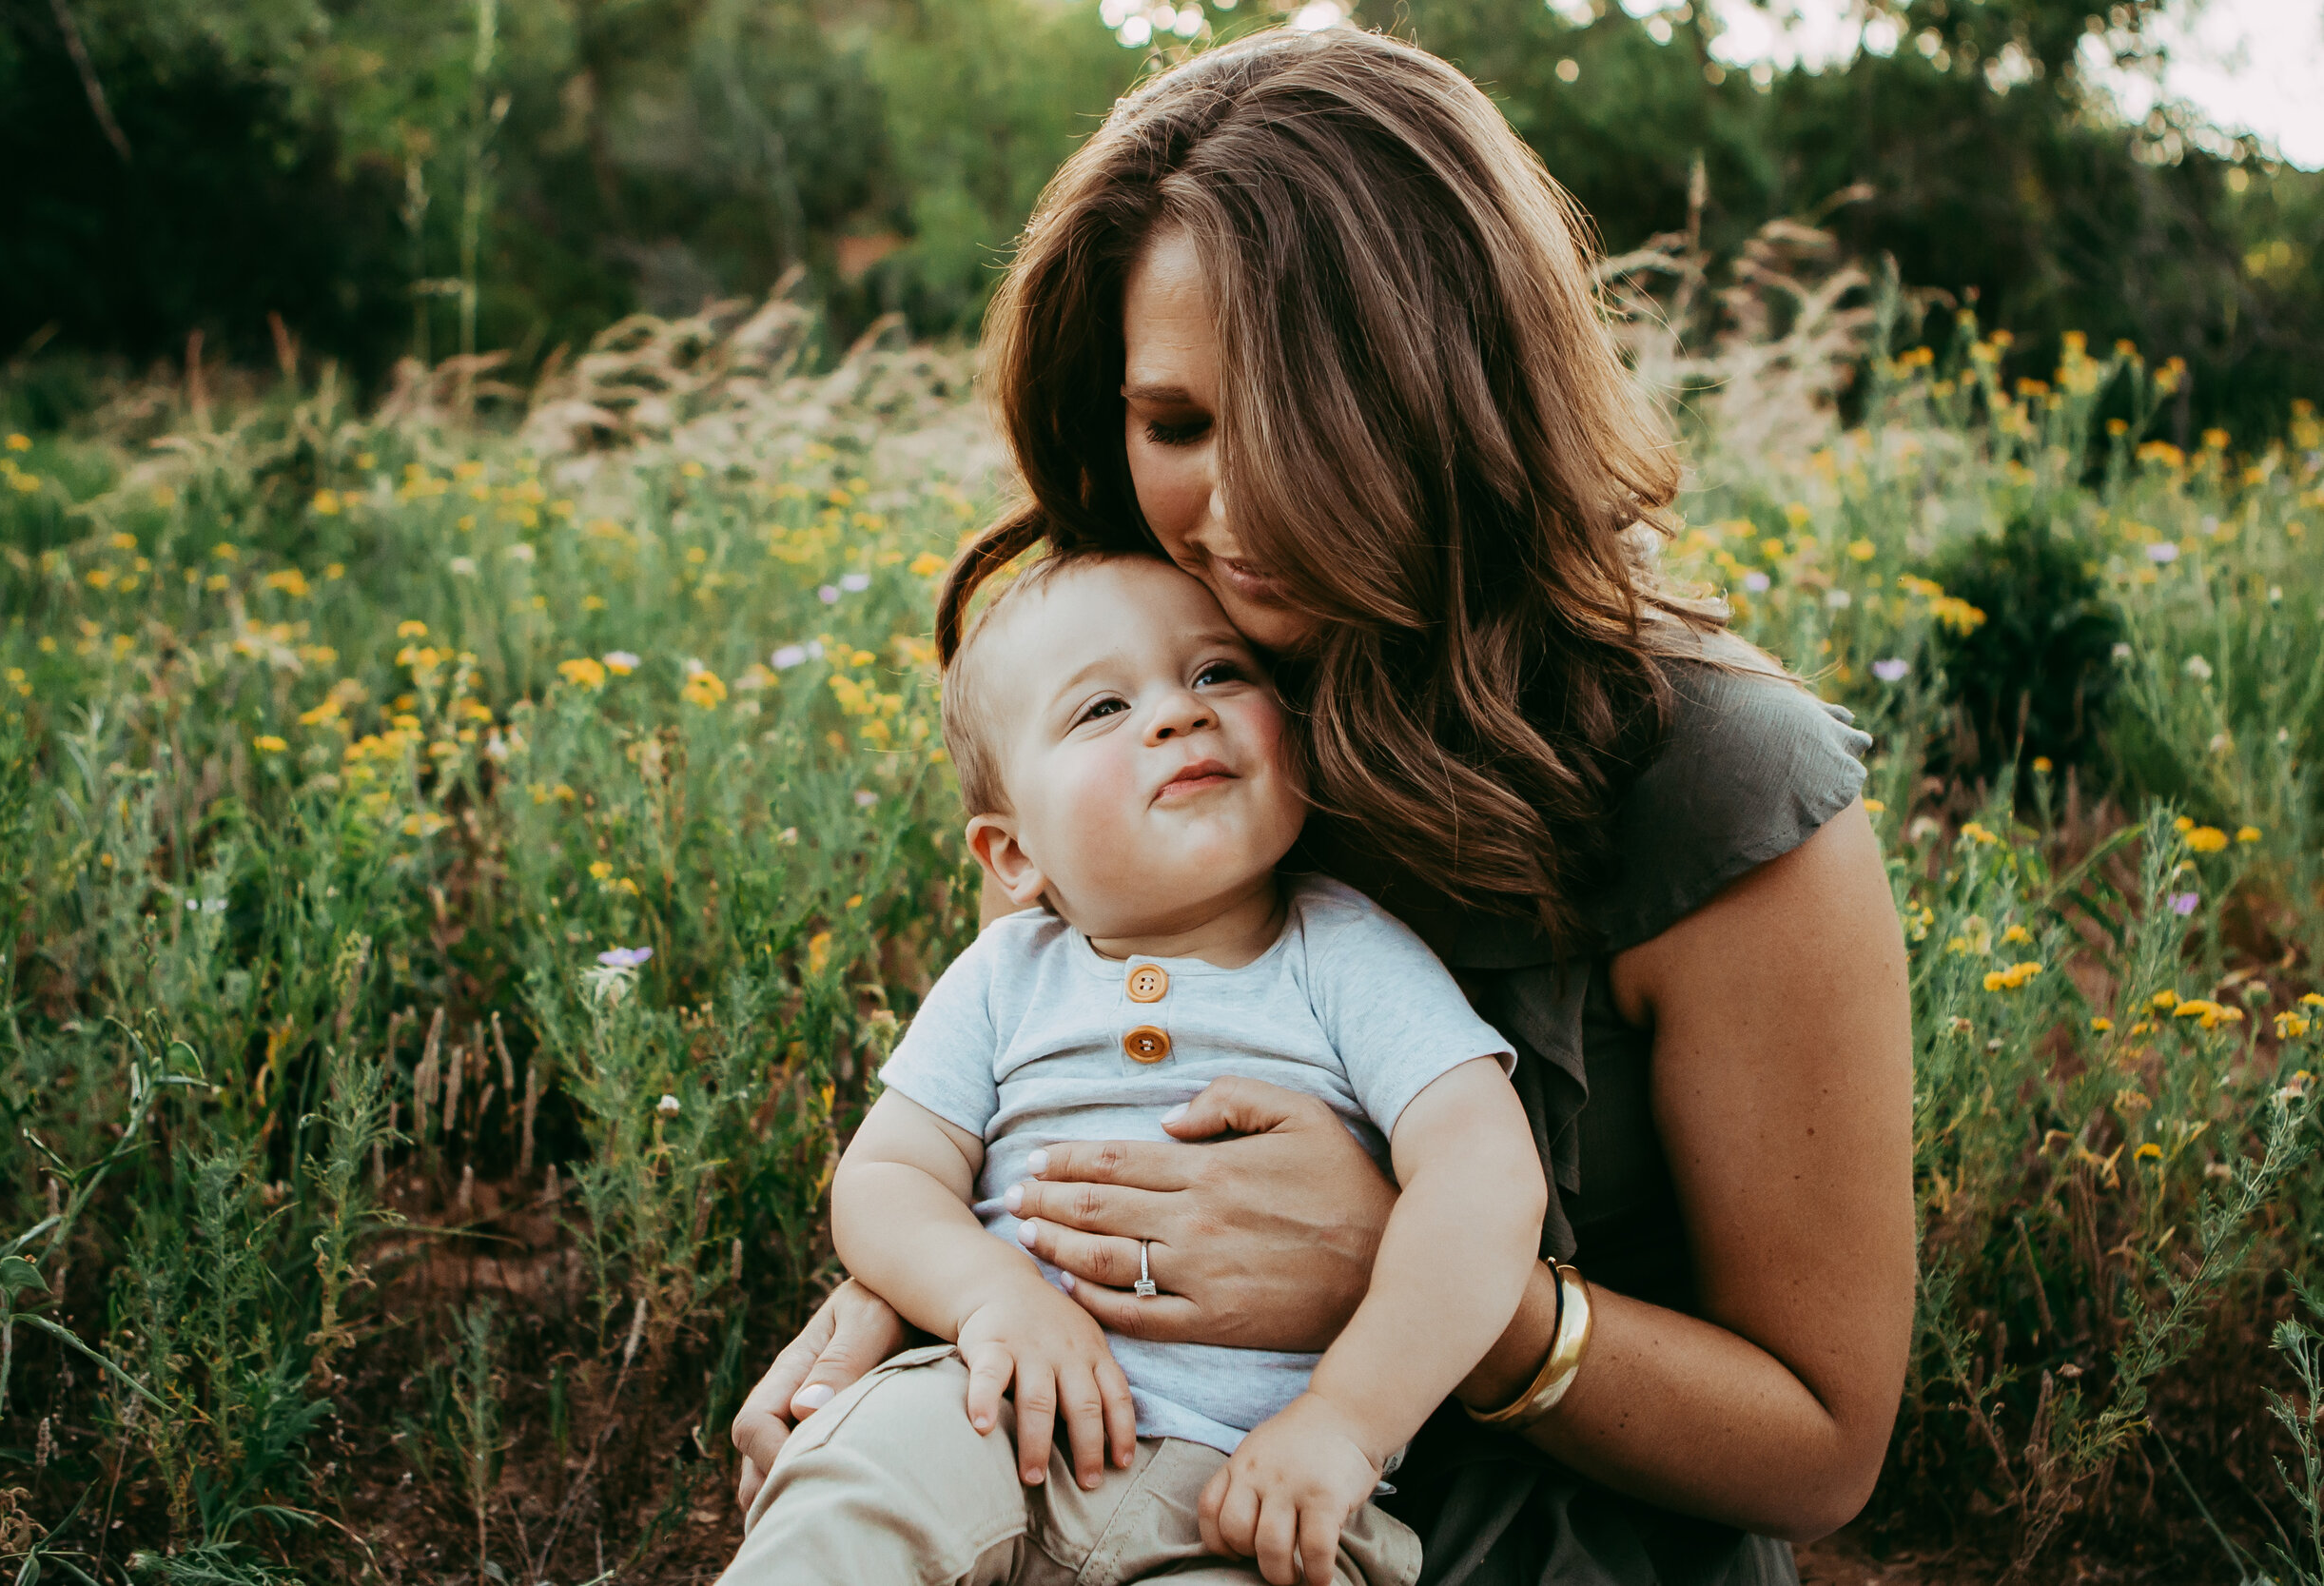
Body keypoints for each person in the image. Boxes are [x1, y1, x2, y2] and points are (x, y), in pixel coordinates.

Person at [731, 26, 1916, 1586]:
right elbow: (1048, 1084)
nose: (1232, 510)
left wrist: (1424, 1283)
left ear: (1460, 391)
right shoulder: (1163, 705)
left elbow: (1821, 1446)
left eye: (1306, 415)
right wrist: (897, 1310)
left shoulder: (1713, 778)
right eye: (1175, 424)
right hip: (1082, 1461)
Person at [725, 550, 1541, 1586]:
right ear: (1013, 853)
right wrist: (991, 1298)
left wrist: (1345, 1420)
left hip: (1245, 1485)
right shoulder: (1006, 973)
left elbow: (1484, 1176)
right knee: (851, 1492)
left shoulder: (1346, 955)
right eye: (1102, 706)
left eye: (1217, 674)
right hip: (984, 1414)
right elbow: (886, 1176)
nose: (1176, 715)